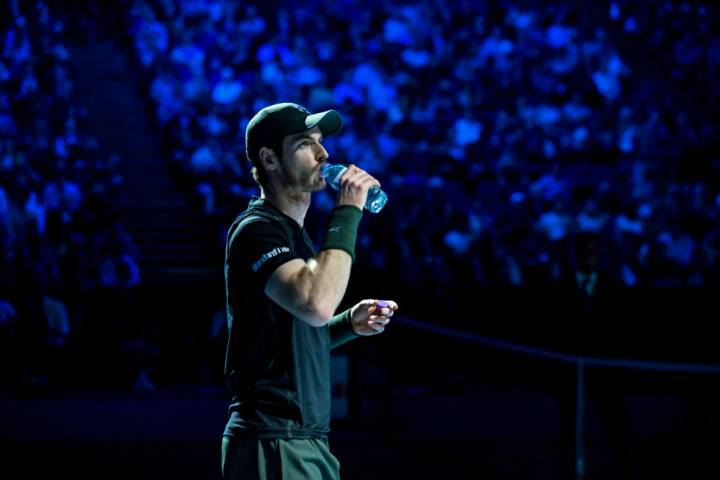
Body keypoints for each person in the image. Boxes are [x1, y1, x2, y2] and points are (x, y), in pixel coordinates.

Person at [221, 102, 398, 480]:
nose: (324, 153)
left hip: (303, 440)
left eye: (320, 141)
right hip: (273, 440)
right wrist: (349, 210)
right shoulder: (257, 230)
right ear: (269, 159)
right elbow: (315, 303)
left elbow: (290, 338)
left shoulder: (293, 237)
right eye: (305, 143)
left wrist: (349, 323)